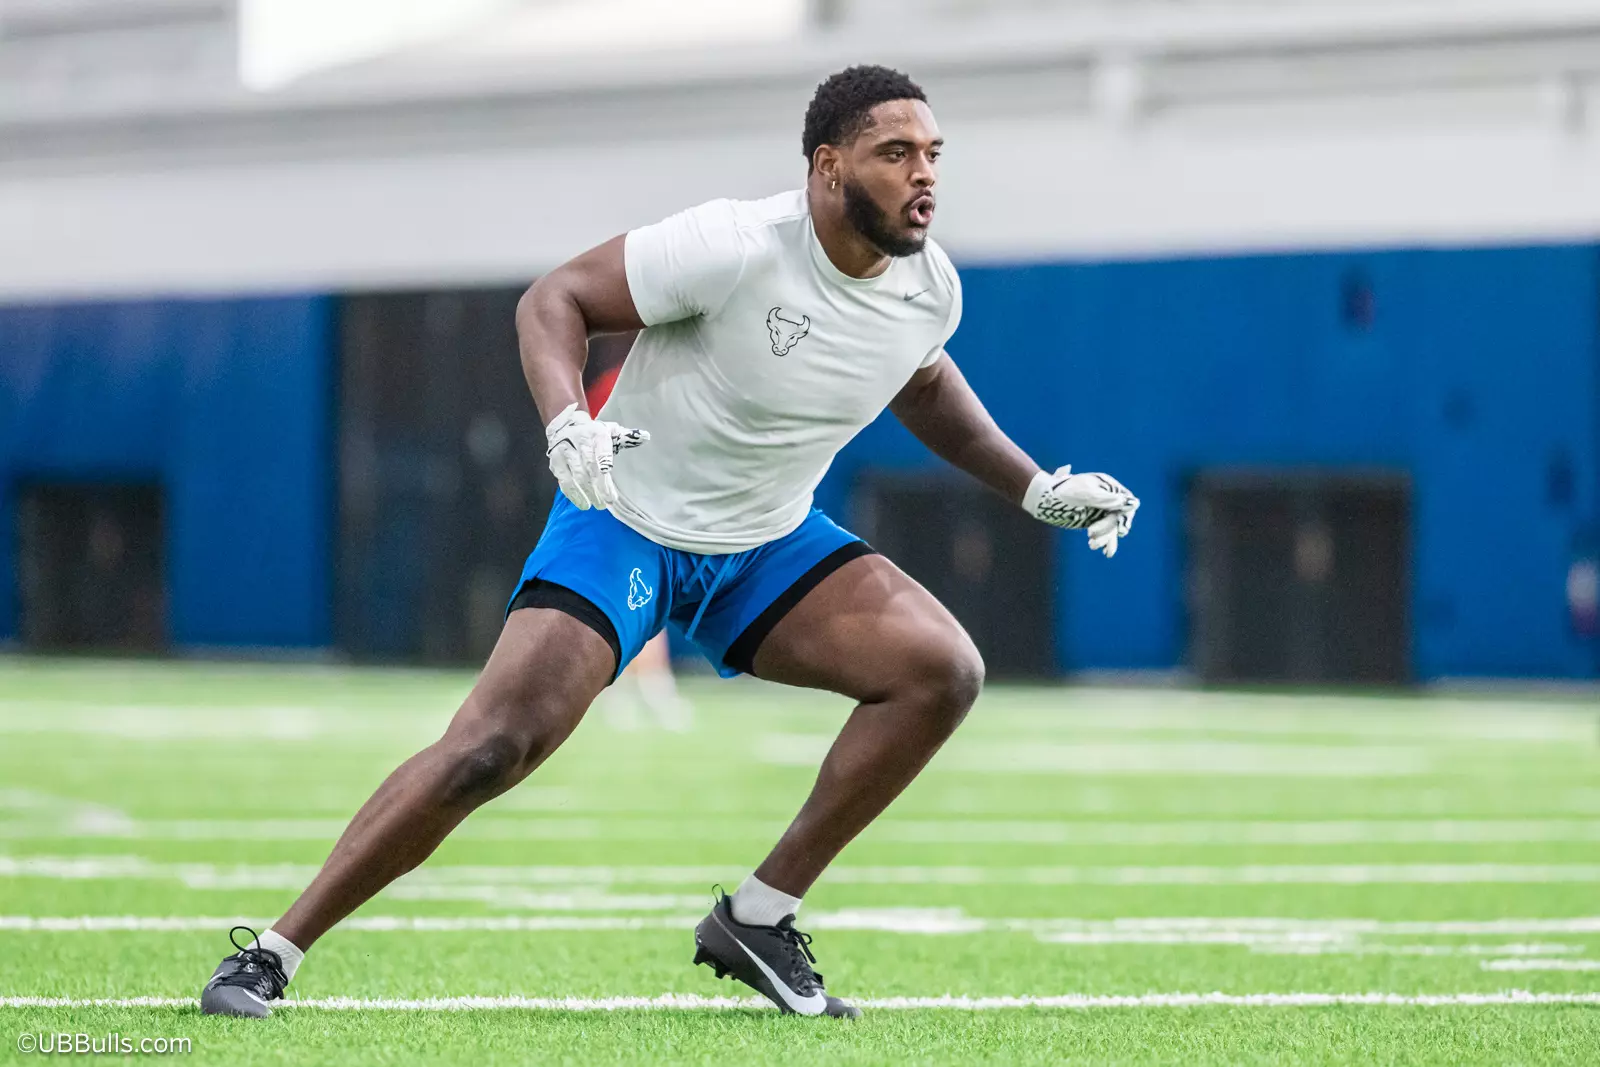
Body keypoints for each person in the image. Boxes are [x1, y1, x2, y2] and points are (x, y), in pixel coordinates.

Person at [200, 64, 1139, 1021]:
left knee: (942, 669)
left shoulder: (928, 288)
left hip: (767, 544)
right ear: (827, 167)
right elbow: (552, 299)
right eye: (895, 153)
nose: (924, 175)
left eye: (933, 154)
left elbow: (923, 382)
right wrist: (566, 422)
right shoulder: (735, 243)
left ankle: (760, 916)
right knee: (494, 747)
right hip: (628, 522)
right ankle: (272, 952)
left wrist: (1037, 487)